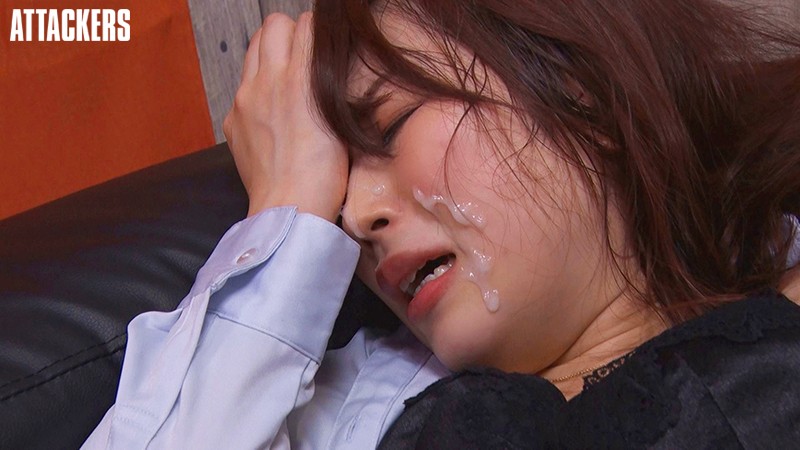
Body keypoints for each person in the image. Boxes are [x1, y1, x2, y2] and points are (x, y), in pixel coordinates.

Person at [84, 0, 800, 447]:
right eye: (335, 194)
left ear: (578, 85)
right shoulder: (332, 412)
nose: (356, 218)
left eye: (392, 125)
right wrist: (286, 206)